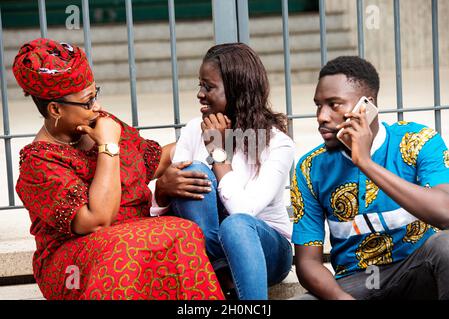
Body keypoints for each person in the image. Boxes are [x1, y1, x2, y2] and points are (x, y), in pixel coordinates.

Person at [12, 38, 224, 300]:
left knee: (184, 232)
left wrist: (208, 135)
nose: (97, 107)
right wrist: (108, 147)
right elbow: (97, 221)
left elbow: (152, 161)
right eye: (87, 102)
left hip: (134, 236)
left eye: (95, 95)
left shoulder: (102, 123)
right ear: (55, 109)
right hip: (71, 264)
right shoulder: (39, 163)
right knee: (124, 247)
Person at [291, 55, 449, 300]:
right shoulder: (310, 168)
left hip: (417, 272)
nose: (322, 116)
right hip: (355, 284)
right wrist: (341, 299)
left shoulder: (418, 141)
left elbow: (444, 212)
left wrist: (364, 161)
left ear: (366, 106)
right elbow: (307, 263)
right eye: (318, 105)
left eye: (334, 104)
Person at [155, 43, 295, 300]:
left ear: (237, 91)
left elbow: (244, 213)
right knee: (194, 171)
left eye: (209, 87)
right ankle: (219, 272)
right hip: (208, 250)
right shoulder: (193, 129)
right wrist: (162, 191)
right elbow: (163, 210)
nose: (200, 94)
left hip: (266, 251)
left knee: (236, 226)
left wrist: (219, 153)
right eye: (200, 85)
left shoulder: (277, 143)